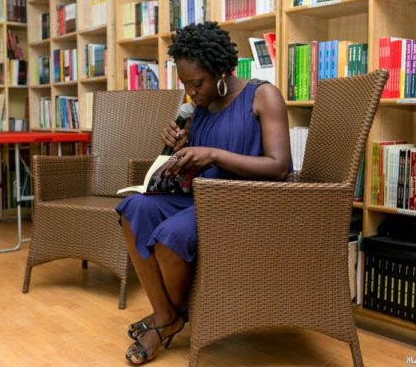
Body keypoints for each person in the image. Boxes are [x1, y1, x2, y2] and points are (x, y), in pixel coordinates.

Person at [116, 21, 292, 365]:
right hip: (201, 199)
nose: (191, 92)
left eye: (197, 84)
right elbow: (196, 166)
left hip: (244, 206)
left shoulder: (262, 95)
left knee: (170, 234)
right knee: (133, 208)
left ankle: (164, 322)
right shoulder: (199, 111)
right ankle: (168, 316)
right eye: (185, 85)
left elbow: (280, 165)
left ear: (222, 71)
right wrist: (178, 149)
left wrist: (211, 154)